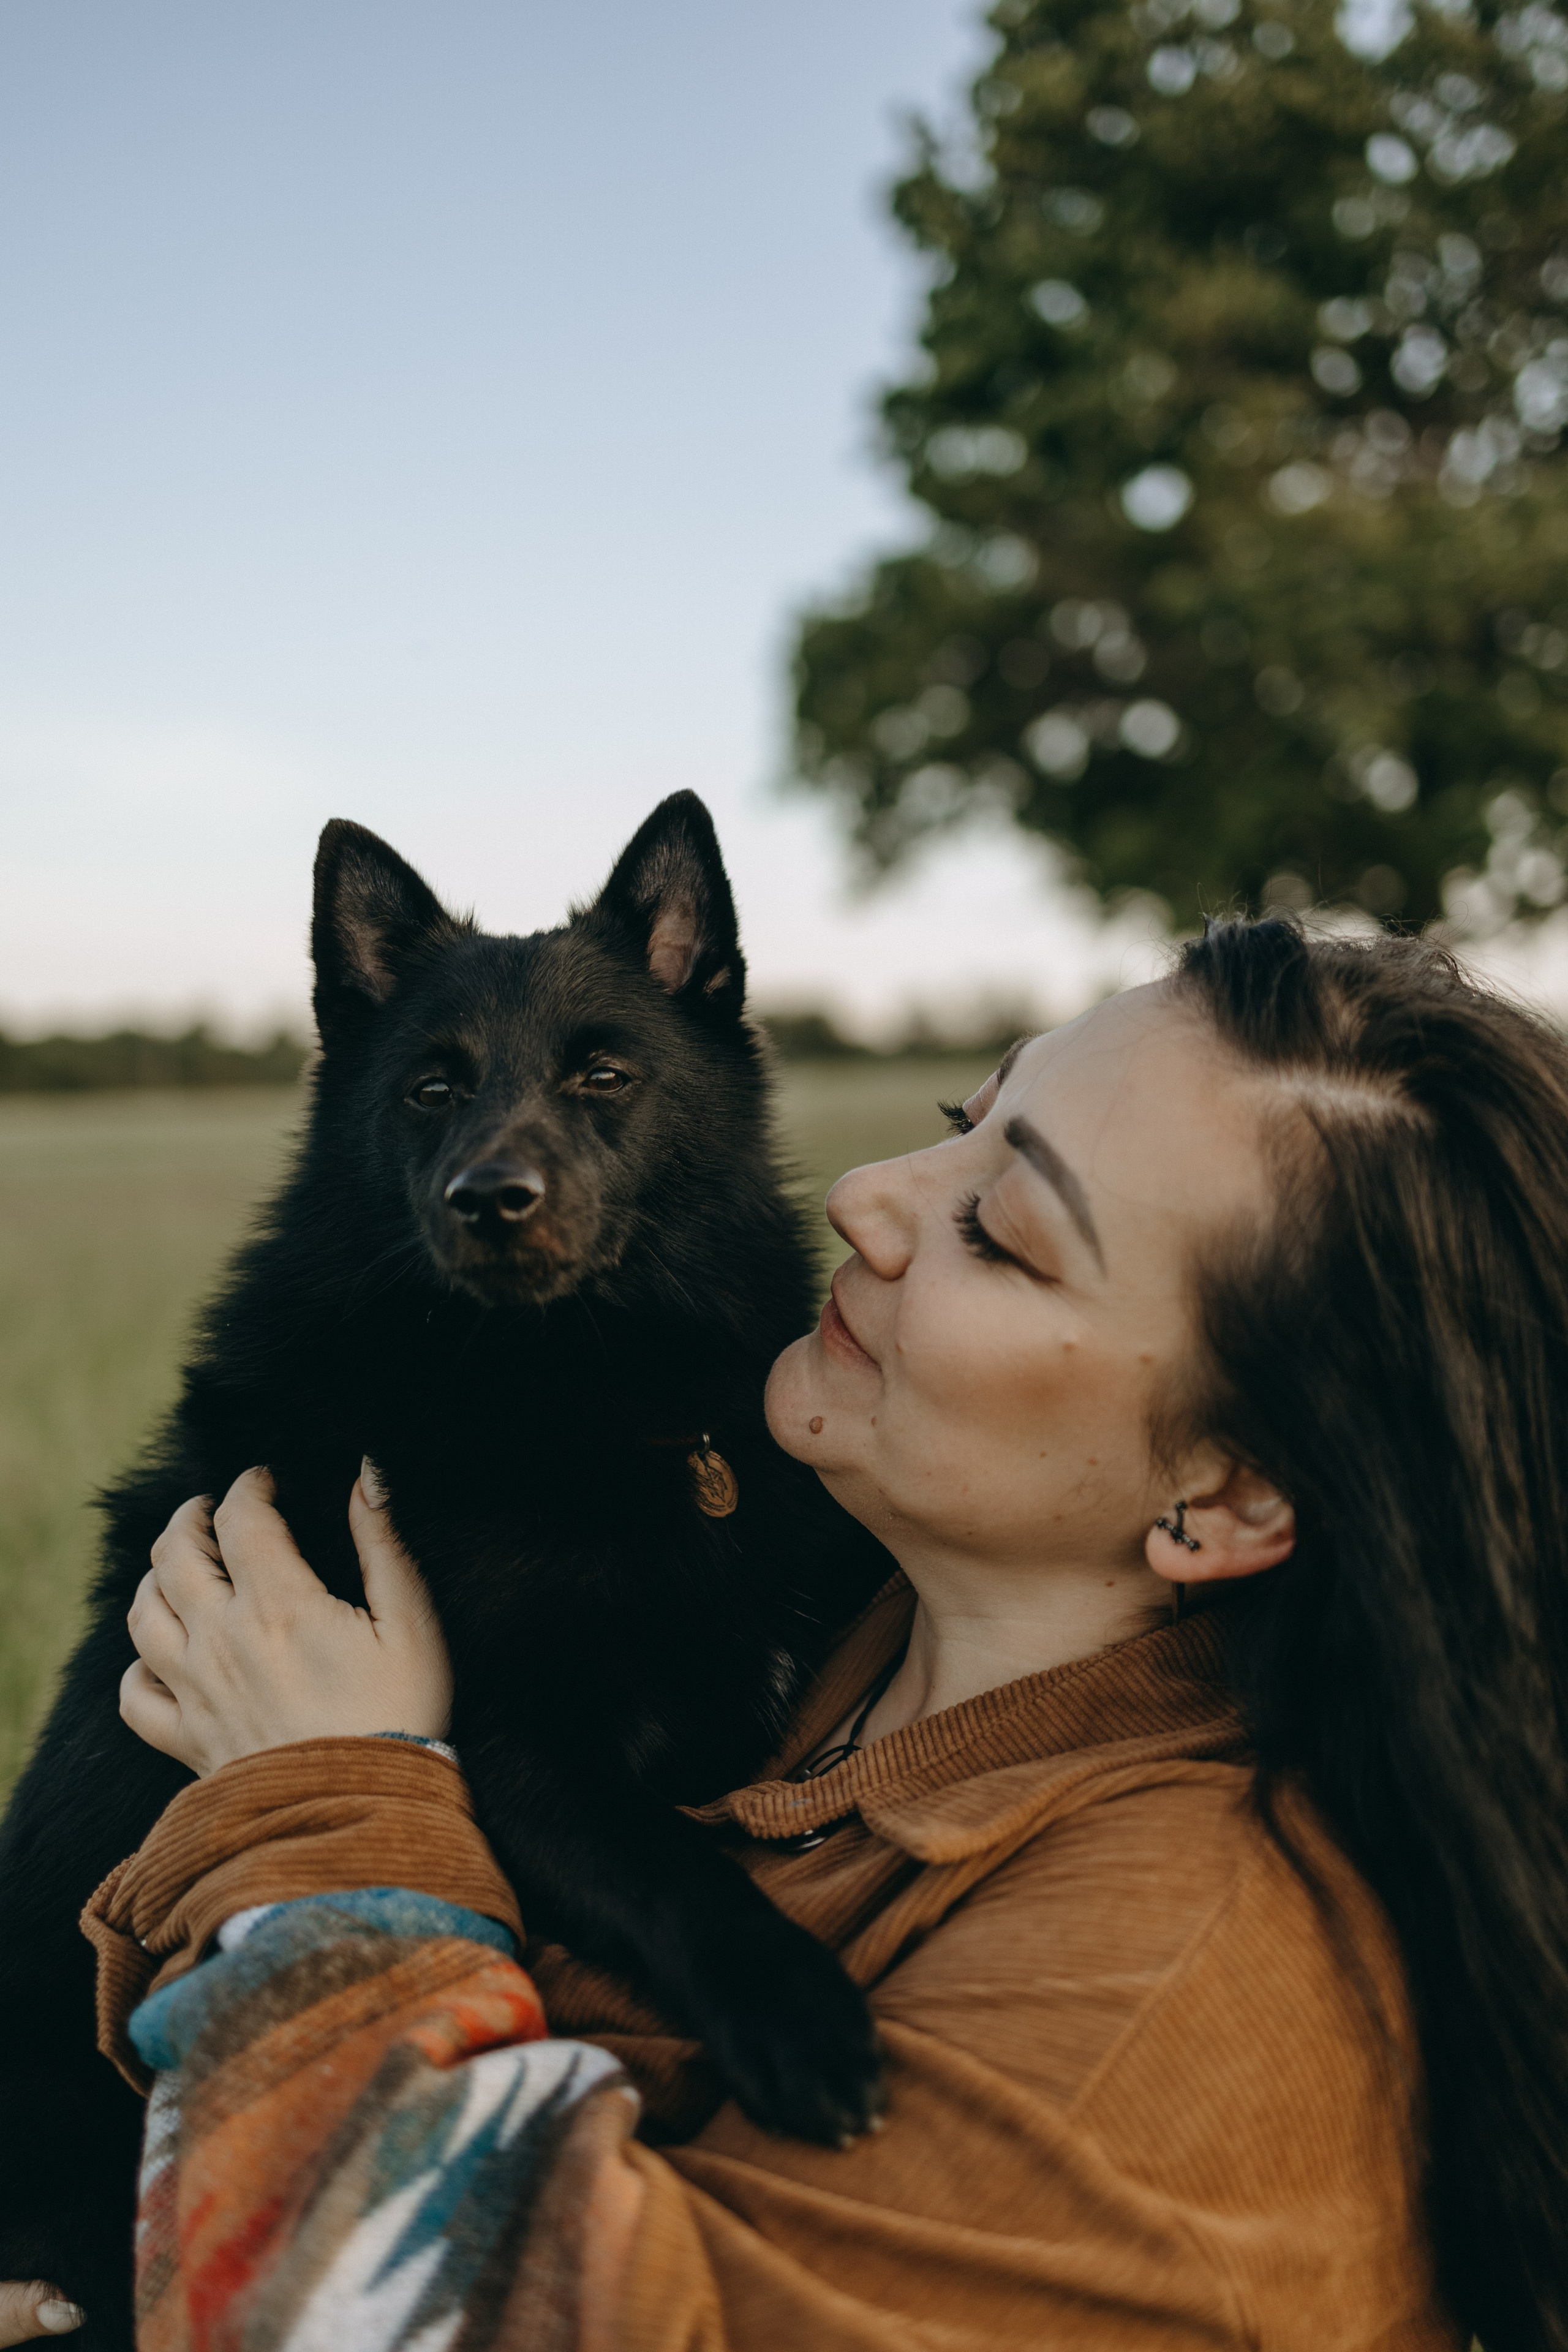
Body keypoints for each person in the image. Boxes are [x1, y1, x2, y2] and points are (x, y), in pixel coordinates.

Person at [8, 917, 1568, 2350]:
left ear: (1220, 1498)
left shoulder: (1158, 2020)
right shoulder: (829, 1621)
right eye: (962, 1130)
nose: (862, 1196)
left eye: (1004, 1235)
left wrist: (329, 1804)